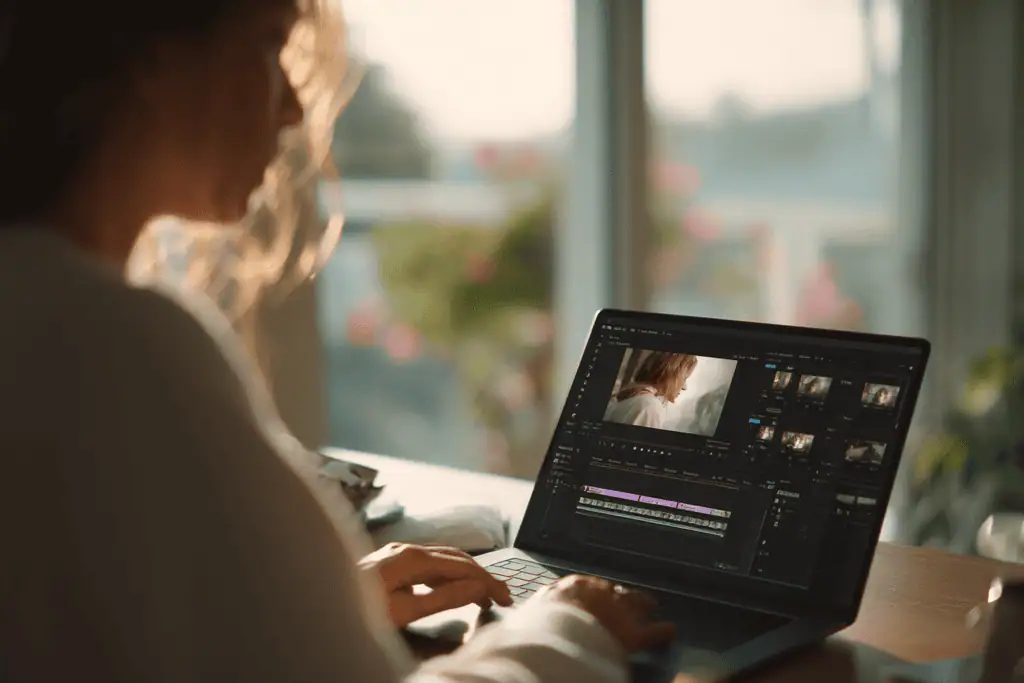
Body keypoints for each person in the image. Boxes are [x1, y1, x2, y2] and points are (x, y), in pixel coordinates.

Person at [0, 1, 675, 681]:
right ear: (152, 53)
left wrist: (310, 606)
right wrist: (568, 628)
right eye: (270, 46)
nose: (293, 106)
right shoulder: (113, 342)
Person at [604, 352, 698, 429]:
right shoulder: (650, 407)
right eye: (684, 378)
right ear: (669, 373)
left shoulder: (631, 396)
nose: (684, 387)